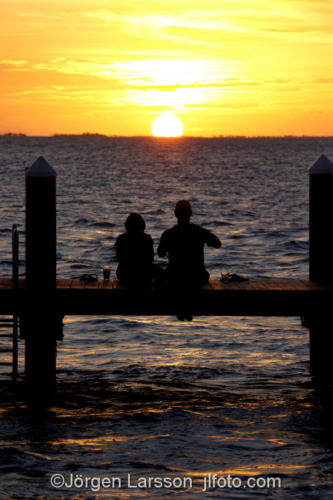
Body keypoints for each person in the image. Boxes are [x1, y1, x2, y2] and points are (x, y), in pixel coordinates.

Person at [157, 200, 221, 287]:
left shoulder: (168, 234)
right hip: (197, 276)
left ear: (175, 213)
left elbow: (160, 254)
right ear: (191, 213)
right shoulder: (199, 231)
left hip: (175, 277)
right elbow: (218, 244)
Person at [115, 212, 164, 286]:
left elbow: (119, 258)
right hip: (144, 273)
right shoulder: (146, 238)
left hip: (124, 273)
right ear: (142, 225)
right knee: (161, 272)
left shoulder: (121, 238)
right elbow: (150, 258)